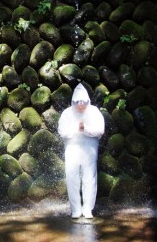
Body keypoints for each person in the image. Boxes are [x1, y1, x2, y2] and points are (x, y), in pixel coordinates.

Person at [58, 83, 105, 219]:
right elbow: (62, 131)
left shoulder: (94, 111)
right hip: (72, 150)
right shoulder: (67, 113)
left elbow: (100, 130)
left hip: (89, 150)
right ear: (73, 102)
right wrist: (76, 129)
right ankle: (75, 209)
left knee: (89, 178)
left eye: (83, 103)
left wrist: (85, 129)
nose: (80, 106)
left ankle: (88, 208)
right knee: (72, 178)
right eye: (78, 103)